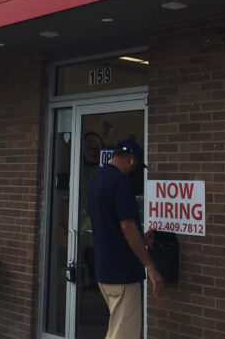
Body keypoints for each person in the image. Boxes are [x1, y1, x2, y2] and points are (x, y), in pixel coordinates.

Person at [88, 139, 164, 339]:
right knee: (124, 335)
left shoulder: (96, 180)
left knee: (116, 331)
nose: (135, 170)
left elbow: (111, 226)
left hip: (104, 273)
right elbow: (127, 226)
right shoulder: (120, 181)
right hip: (122, 275)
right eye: (137, 165)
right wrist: (151, 267)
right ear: (131, 159)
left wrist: (140, 238)